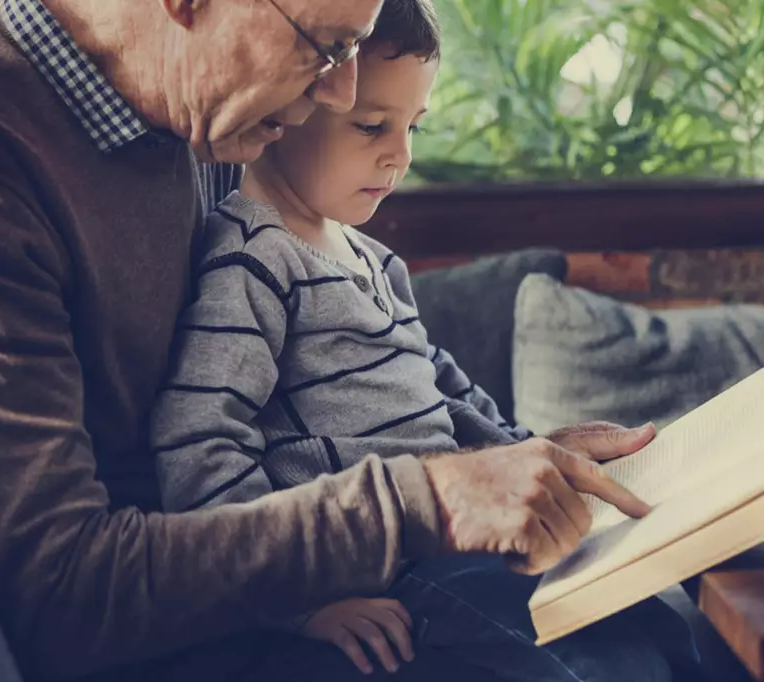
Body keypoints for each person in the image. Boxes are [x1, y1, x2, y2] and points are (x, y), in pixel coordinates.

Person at [0, 0, 698, 679]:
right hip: (181, 638)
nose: (340, 95)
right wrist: (423, 501)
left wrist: (515, 456)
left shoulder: (188, 105)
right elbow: (61, 593)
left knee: (650, 610)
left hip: (284, 576)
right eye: (323, 45)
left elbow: (326, 351)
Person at [151, 1, 707, 681]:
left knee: (657, 614)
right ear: (293, 102)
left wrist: (532, 451)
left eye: (412, 127)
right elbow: (198, 444)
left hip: (465, 535)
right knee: (602, 667)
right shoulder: (251, 261)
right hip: (392, 565)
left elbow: (443, 385)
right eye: (371, 126)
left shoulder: (373, 260)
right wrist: (300, 603)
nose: (400, 154)